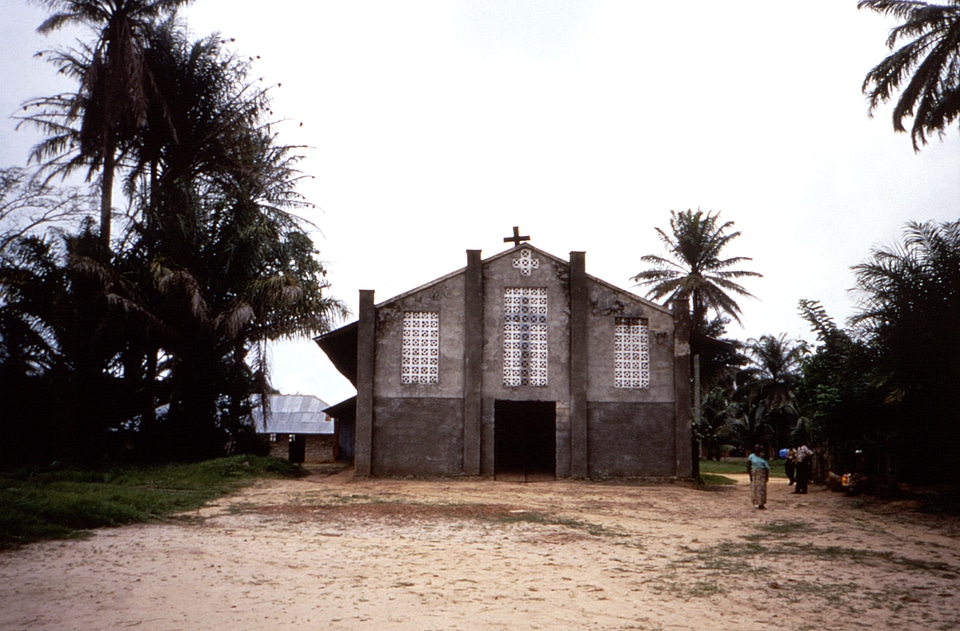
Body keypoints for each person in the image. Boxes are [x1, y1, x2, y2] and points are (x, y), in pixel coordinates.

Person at [746, 444, 770, 509]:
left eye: (758, 448)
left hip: (762, 474)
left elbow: (766, 466)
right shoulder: (751, 456)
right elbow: (749, 466)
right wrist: (750, 475)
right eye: (756, 448)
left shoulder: (762, 456)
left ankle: (761, 504)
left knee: (762, 489)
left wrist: (767, 476)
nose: (757, 449)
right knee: (755, 489)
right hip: (754, 474)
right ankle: (756, 502)